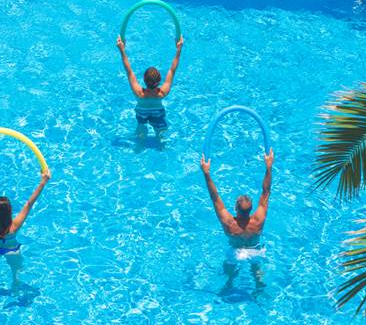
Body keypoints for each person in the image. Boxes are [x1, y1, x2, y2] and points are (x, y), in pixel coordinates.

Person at [200, 149, 273, 287]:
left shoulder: (229, 223)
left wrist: (206, 173)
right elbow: (266, 192)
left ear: (235, 208)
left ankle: (229, 284)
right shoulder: (258, 220)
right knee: (257, 270)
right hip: (255, 251)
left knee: (229, 272)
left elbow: (214, 197)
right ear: (251, 209)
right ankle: (259, 285)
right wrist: (269, 167)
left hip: (235, 252)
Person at [117, 35, 182, 138]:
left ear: (144, 80)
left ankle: (140, 141)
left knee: (141, 129)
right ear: (159, 82)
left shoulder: (139, 93)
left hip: (141, 112)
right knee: (160, 133)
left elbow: (129, 71)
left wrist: (122, 50)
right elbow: (172, 70)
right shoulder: (162, 93)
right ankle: (160, 141)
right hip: (158, 113)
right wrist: (179, 49)